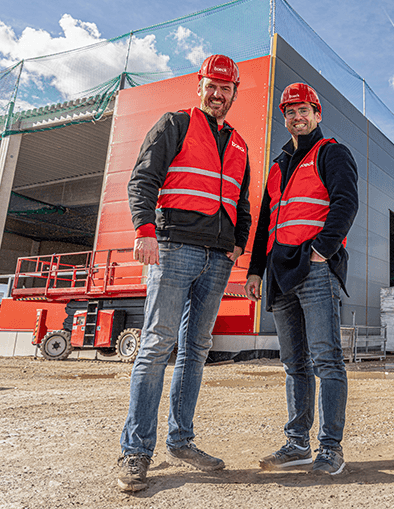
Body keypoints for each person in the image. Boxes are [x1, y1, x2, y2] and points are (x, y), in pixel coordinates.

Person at [117, 54, 251, 492]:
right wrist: (144, 230)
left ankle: (182, 441)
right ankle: (136, 451)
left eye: (225, 88)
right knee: (156, 346)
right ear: (200, 85)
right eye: (211, 85)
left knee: (196, 350)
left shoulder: (240, 146)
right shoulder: (174, 124)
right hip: (174, 248)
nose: (218, 94)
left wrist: (236, 246)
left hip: (216, 260)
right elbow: (143, 179)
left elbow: (242, 203)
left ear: (233, 92)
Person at [244, 82, 358, 476]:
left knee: (327, 359)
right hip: (279, 274)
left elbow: (346, 202)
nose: (297, 117)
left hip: (313, 269)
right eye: (290, 112)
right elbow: (265, 224)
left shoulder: (332, 153)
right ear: (285, 118)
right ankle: (297, 443)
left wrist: (322, 250)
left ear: (317, 114)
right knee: (294, 363)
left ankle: (330, 447)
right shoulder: (277, 166)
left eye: (304, 110)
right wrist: (256, 269)